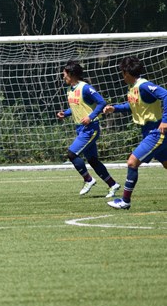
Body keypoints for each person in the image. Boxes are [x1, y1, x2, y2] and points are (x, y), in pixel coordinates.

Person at [102, 56, 167, 210]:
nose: (122, 76)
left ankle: (125, 201)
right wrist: (115, 108)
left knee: (132, 162)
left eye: (122, 73)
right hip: (148, 131)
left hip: (156, 131)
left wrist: (165, 120)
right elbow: (132, 106)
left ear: (126, 72)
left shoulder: (144, 85)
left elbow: (166, 95)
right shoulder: (133, 88)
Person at [57, 60, 120, 197]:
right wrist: (65, 113)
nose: (63, 77)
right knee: (92, 160)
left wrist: (90, 117)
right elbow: (76, 107)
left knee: (72, 154)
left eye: (64, 74)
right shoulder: (70, 90)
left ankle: (88, 179)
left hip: (90, 128)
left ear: (71, 74)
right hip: (81, 128)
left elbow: (102, 102)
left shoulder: (85, 88)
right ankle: (112, 184)